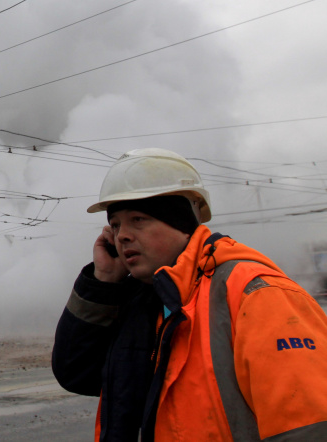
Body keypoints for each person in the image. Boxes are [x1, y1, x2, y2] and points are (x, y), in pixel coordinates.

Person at [52, 148, 327, 441]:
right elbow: (76, 373)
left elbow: (308, 427)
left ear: (181, 223)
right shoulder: (142, 299)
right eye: (116, 224)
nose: (121, 235)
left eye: (138, 219)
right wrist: (103, 281)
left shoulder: (254, 293)